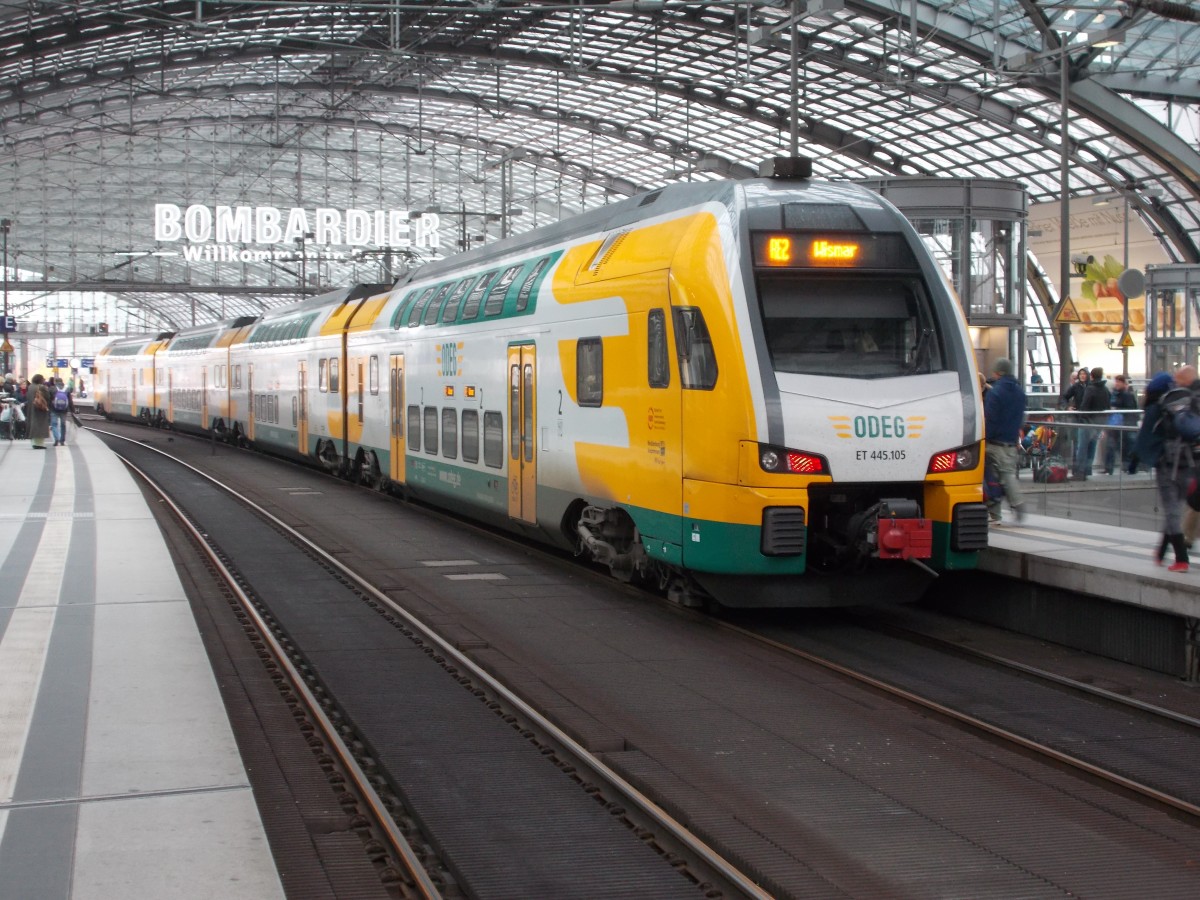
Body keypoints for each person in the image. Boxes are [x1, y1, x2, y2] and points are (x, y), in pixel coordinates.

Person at [1129, 372, 1197, 572]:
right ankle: (1161, 551)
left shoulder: (1156, 408)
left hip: (1167, 464)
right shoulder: (1187, 401)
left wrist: (1134, 461)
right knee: (1175, 510)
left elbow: (1144, 437)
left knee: (1172, 510)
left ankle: (1181, 560)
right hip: (1188, 463)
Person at [985, 357, 1027, 524]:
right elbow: (1021, 418)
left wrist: (985, 437)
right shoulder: (1020, 393)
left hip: (994, 442)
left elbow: (990, 418)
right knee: (1005, 474)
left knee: (991, 477)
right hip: (1011, 441)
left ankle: (1001, 511)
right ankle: (1010, 505)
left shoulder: (995, 392)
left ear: (998, 372)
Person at [1074, 366, 1110, 480]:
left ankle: (1080, 472)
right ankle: (1088, 470)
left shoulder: (1090, 388)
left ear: (1092, 376)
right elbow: (1107, 406)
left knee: (1082, 447)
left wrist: (1081, 415)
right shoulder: (1105, 389)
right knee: (1092, 446)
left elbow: (1084, 406)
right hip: (1099, 422)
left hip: (1087, 422)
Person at [1103, 373, 1138, 475]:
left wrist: (1117, 409)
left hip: (1123, 424)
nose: (1116, 384)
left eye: (1119, 382)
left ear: (1123, 383)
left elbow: (1131, 409)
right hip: (1117, 424)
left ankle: (1120, 467)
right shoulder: (1115, 394)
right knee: (1114, 446)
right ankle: (1112, 468)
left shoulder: (1126, 395)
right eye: (1116, 381)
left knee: (1121, 447)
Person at [25, 373, 55, 450]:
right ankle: (39, 444)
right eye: (43, 379)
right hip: (40, 408)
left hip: (32, 408)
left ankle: (34, 442)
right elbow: (48, 397)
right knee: (40, 425)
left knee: (33, 423)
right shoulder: (41, 387)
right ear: (40, 380)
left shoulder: (30, 387)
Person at [49, 377, 74, 446]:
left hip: (54, 410)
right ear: (62, 382)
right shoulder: (67, 389)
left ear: (55, 382)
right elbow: (70, 401)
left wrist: (49, 408)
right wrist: (72, 410)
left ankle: (57, 438)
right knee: (63, 424)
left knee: (54, 424)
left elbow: (48, 399)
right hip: (64, 410)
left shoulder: (52, 389)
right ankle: (62, 440)